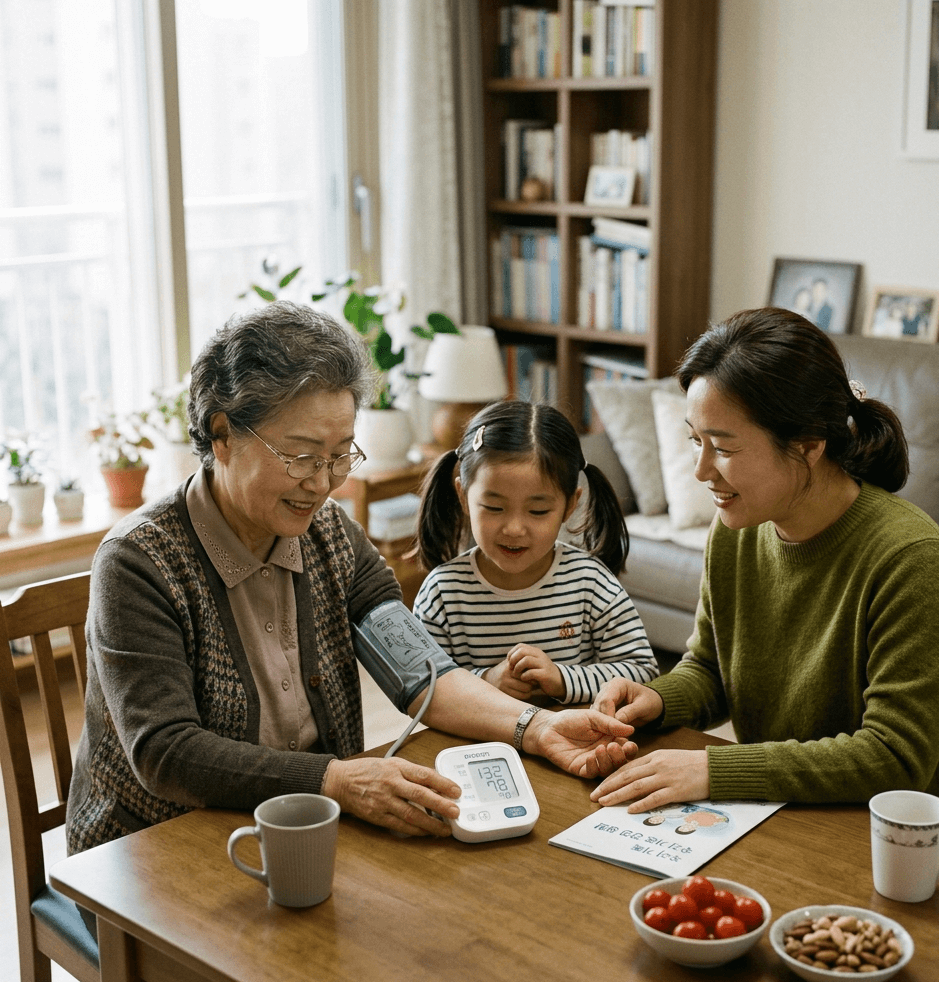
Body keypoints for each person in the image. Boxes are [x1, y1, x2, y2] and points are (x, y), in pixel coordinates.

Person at [67, 303, 638, 870]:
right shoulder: (139, 562)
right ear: (222, 434)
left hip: (311, 832)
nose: (322, 484)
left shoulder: (331, 535)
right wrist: (335, 779)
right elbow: (166, 752)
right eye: (301, 456)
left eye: (340, 455)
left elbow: (423, 673)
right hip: (156, 852)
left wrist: (538, 727)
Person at [585, 307, 939, 815]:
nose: (701, 470)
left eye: (723, 448)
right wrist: (659, 699)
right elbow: (712, 668)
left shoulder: (908, 556)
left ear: (808, 446)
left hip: (921, 831)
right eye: (695, 441)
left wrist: (714, 770)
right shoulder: (734, 532)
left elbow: (894, 755)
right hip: (792, 807)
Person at [413, 400, 659, 705]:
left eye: (538, 511)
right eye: (494, 507)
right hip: (478, 736)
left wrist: (562, 679)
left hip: (572, 733)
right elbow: (422, 688)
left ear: (569, 505)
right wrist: (485, 681)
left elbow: (643, 672)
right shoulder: (442, 594)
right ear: (463, 496)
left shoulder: (590, 582)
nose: (515, 528)